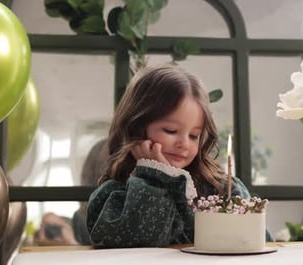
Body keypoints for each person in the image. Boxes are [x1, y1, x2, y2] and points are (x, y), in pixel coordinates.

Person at [86, 64, 258, 248]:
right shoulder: (113, 195)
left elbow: (255, 243)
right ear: (136, 127)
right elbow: (137, 245)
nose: (183, 144)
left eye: (194, 135)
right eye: (171, 130)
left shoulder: (223, 190)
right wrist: (154, 177)